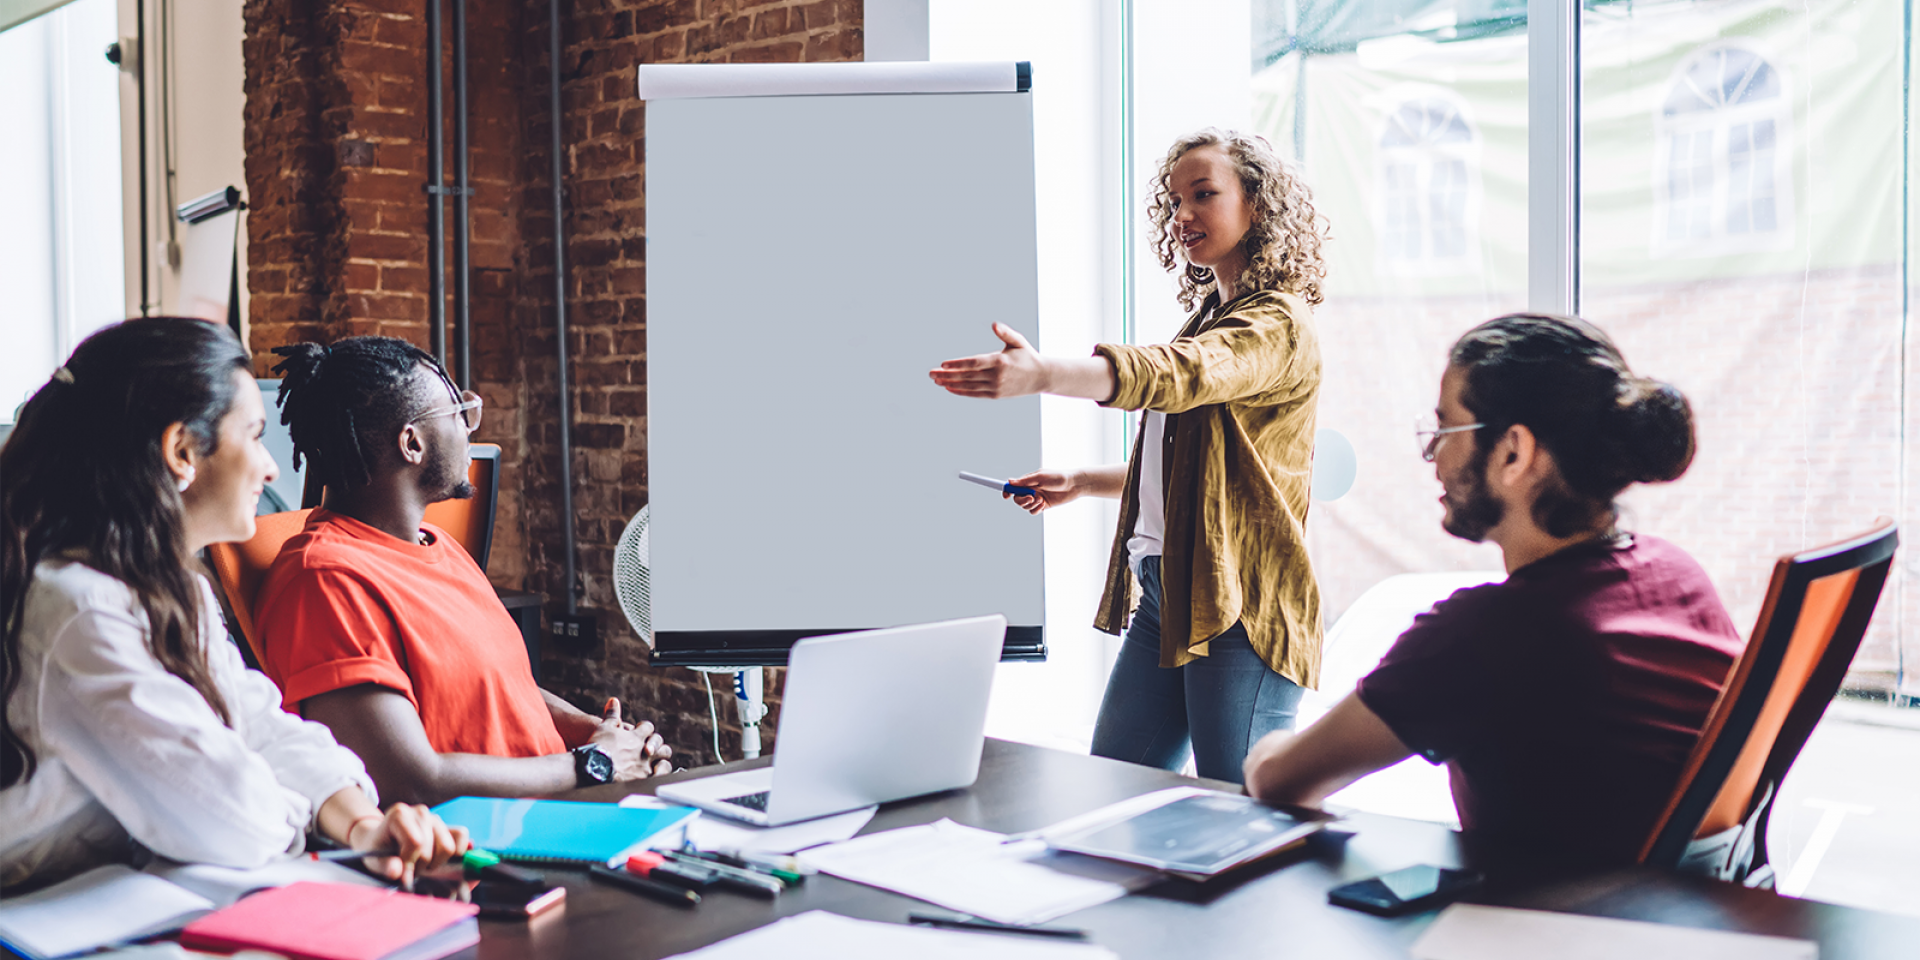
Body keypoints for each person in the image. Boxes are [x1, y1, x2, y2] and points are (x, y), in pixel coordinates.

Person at [1243, 313, 1746, 872]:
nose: (1433, 454)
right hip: (1682, 916)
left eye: (1446, 429)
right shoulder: (1679, 575)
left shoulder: (1494, 634)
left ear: (1514, 452)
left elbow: (1280, 781)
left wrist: (1261, 743)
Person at [0, 318, 464, 892]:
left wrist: (362, 823)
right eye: (253, 435)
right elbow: (230, 818)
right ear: (182, 450)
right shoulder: (79, 611)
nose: (270, 467)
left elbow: (257, 722)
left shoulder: (172, 590)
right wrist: (312, 813)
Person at [930, 129, 1330, 783]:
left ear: (1257, 206)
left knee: (1243, 813)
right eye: (1175, 201)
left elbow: (1180, 374)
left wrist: (1043, 375)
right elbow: (1206, 479)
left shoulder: (1277, 323)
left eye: (1204, 195)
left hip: (1241, 609)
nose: (1183, 216)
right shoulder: (1213, 315)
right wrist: (1082, 481)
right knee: (1114, 791)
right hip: (1166, 596)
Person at [252, 337, 672, 807]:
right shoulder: (326, 581)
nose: (469, 429)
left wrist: (599, 734)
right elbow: (406, 781)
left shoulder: (439, 546)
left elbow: (493, 684)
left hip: (567, 810)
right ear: (412, 443)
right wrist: (594, 765)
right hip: (495, 852)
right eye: (458, 413)